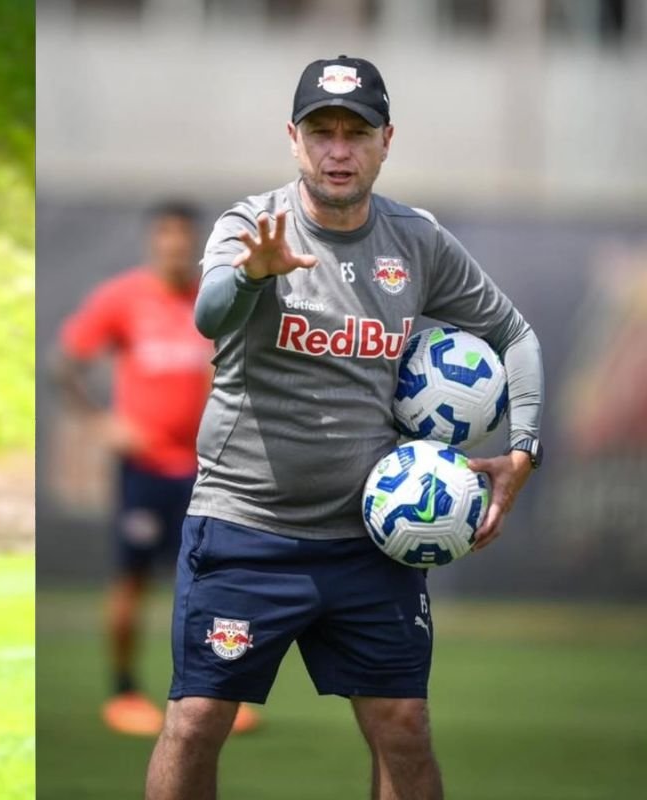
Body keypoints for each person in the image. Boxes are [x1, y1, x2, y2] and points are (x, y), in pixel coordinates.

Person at [144, 55, 544, 800]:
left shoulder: (417, 241)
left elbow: (515, 335)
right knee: (195, 720)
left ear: (386, 140)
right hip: (245, 526)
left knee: (404, 725)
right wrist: (254, 274)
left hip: (372, 537)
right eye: (321, 132)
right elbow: (208, 315)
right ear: (293, 138)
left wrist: (522, 451)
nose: (337, 150)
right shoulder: (252, 226)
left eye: (355, 133)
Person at [56, 202, 258, 737]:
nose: (175, 246)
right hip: (145, 469)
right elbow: (66, 364)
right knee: (133, 578)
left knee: (217, 582)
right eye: (166, 235)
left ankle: (215, 696)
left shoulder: (214, 302)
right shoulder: (123, 298)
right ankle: (123, 692)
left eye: (184, 237)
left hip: (209, 469)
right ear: (154, 241)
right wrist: (103, 425)